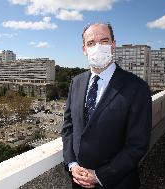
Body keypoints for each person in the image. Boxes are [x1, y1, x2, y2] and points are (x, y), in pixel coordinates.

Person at [61, 23, 152, 189]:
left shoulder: (137, 87)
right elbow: (68, 127)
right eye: (91, 43)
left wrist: (100, 176)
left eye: (104, 41)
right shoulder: (76, 82)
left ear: (113, 45)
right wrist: (72, 164)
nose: (98, 47)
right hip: (78, 181)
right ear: (84, 49)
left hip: (117, 183)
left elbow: (138, 144)